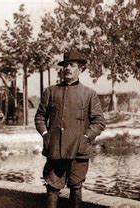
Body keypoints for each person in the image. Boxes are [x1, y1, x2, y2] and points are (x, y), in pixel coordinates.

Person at [35, 49, 105, 208]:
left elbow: (99, 122)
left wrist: (86, 137)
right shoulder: (51, 92)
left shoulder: (89, 94)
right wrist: (46, 135)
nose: (67, 68)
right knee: (52, 187)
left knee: (76, 187)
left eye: (72, 65)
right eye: (65, 65)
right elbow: (40, 117)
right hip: (55, 150)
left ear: (80, 69)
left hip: (78, 150)